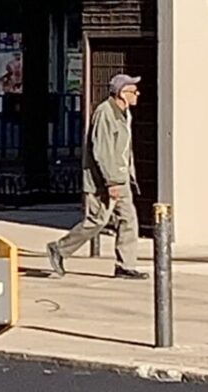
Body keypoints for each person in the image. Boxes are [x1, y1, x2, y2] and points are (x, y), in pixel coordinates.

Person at [46, 73, 146, 279]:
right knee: (96, 221)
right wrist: (111, 182)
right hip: (105, 181)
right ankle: (60, 248)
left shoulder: (125, 113)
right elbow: (102, 151)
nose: (137, 94)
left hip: (121, 177)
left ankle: (125, 265)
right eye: (133, 91)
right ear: (121, 93)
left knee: (128, 220)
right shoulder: (105, 113)